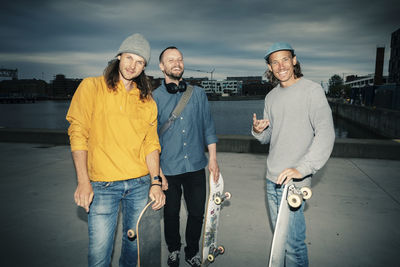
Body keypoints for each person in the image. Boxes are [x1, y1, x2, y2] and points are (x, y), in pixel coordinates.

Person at [66, 33, 165, 267]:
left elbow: (150, 143)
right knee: (99, 254)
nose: (133, 65)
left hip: (140, 185)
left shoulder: (146, 100)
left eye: (140, 61)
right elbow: (78, 133)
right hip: (103, 185)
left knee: (135, 251)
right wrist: (83, 181)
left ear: (144, 67)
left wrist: (156, 181)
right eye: (129, 57)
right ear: (119, 56)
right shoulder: (91, 86)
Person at [252, 42, 335, 266]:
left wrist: (303, 169)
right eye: (275, 62)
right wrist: (259, 131)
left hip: (294, 181)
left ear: (294, 60)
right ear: (269, 67)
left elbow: (326, 133)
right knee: (281, 242)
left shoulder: (312, 90)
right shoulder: (271, 97)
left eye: (285, 59)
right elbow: (269, 137)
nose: (281, 66)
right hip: (272, 178)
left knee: (293, 246)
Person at [152, 46, 219, 267]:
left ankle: (192, 252)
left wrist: (213, 159)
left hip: (196, 165)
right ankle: (173, 250)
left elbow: (208, 127)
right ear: (162, 66)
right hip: (168, 168)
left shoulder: (198, 94)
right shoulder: (154, 98)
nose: (177, 63)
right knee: (170, 215)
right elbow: (150, 138)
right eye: (171, 60)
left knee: (197, 213)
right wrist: (157, 173)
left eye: (179, 59)